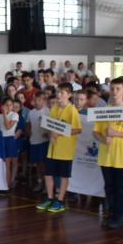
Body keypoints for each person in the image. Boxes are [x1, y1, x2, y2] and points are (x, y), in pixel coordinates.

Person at [93, 77, 123, 229]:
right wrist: (102, 139)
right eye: (112, 89)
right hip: (105, 155)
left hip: (121, 157)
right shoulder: (104, 110)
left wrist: (116, 134)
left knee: (120, 188)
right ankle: (111, 213)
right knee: (109, 186)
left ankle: (119, 216)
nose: (114, 92)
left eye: (118, 89)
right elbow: (96, 132)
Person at [36, 83, 82, 213]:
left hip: (65, 150)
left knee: (63, 176)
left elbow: (77, 129)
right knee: (48, 174)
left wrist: (59, 133)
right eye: (58, 92)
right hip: (53, 148)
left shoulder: (71, 110)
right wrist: (50, 133)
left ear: (69, 95)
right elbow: (51, 125)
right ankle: (50, 198)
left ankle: (60, 200)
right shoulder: (55, 107)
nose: (59, 95)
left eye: (62, 93)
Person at [26, 91, 49, 192]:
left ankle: (46, 184)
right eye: (35, 99)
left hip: (44, 141)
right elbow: (28, 124)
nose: (37, 102)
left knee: (44, 163)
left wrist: (48, 133)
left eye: (39, 99)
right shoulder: (31, 112)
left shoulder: (48, 111)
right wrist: (28, 132)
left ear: (44, 100)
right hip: (34, 141)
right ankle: (40, 181)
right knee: (38, 163)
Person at [0, 98, 19, 189]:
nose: (8, 107)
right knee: (4, 162)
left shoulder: (14, 115)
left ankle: (10, 182)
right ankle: (6, 183)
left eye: (10, 105)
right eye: (6, 105)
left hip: (10, 139)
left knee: (11, 162)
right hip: (2, 139)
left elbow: (7, 127)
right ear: (3, 106)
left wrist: (5, 115)